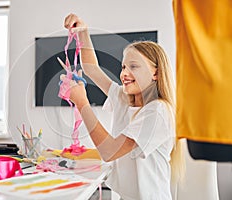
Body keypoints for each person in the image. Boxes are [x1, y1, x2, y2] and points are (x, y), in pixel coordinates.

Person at [59, 14, 184, 200]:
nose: (124, 73)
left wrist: (82, 102)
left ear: (155, 73)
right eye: (124, 67)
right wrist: (83, 33)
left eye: (134, 66)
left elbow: (109, 151)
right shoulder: (123, 98)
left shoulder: (158, 111)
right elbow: (91, 68)